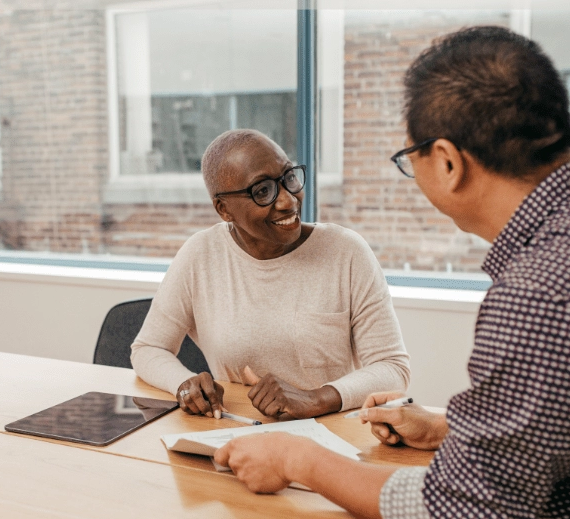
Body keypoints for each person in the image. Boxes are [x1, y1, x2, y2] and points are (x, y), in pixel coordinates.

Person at [214, 26, 570, 519]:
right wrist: (450, 430)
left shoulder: (542, 295)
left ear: (446, 162)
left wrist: (300, 460)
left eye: (408, 156)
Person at [130, 129, 410, 420]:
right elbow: (149, 348)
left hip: (329, 434)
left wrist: (316, 399)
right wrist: (184, 384)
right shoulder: (200, 255)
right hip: (234, 430)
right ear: (223, 209)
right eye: (262, 191)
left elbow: (392, 369)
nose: (288, 201)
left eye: (289, 178)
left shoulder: (347, 252)